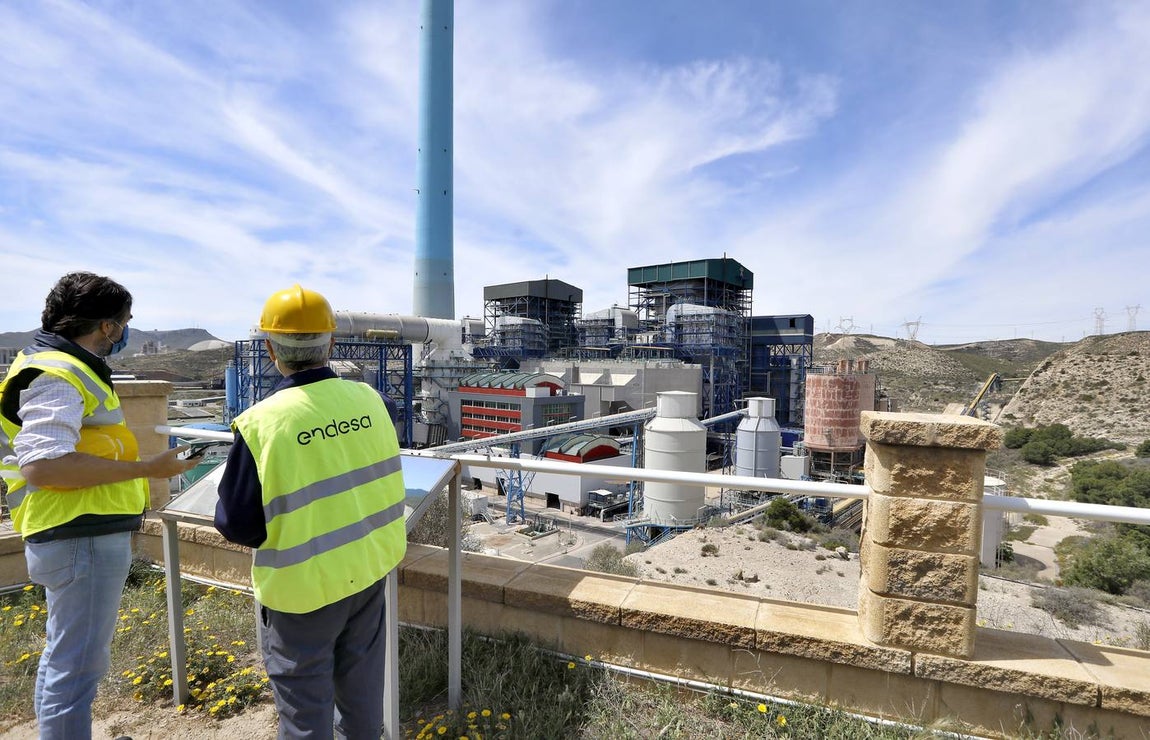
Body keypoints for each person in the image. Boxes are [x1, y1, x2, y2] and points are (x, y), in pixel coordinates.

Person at [0, 272, 197, 740]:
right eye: (126, 322)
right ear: (107, 326)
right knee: (79, 664)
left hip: (71, 531)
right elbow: (45, 467)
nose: (128, 332)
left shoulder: (60, 365)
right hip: (77, 534)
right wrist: (149, 469)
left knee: (64, 655)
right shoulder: (58, 374)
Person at [214, 285, 407, 740]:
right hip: (366, 573)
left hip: (302, 594)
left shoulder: (263, 422)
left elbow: (236, 523)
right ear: (332, 344)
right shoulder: (375, 402)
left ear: (269, 349)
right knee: (361, 703)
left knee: (305, 715)